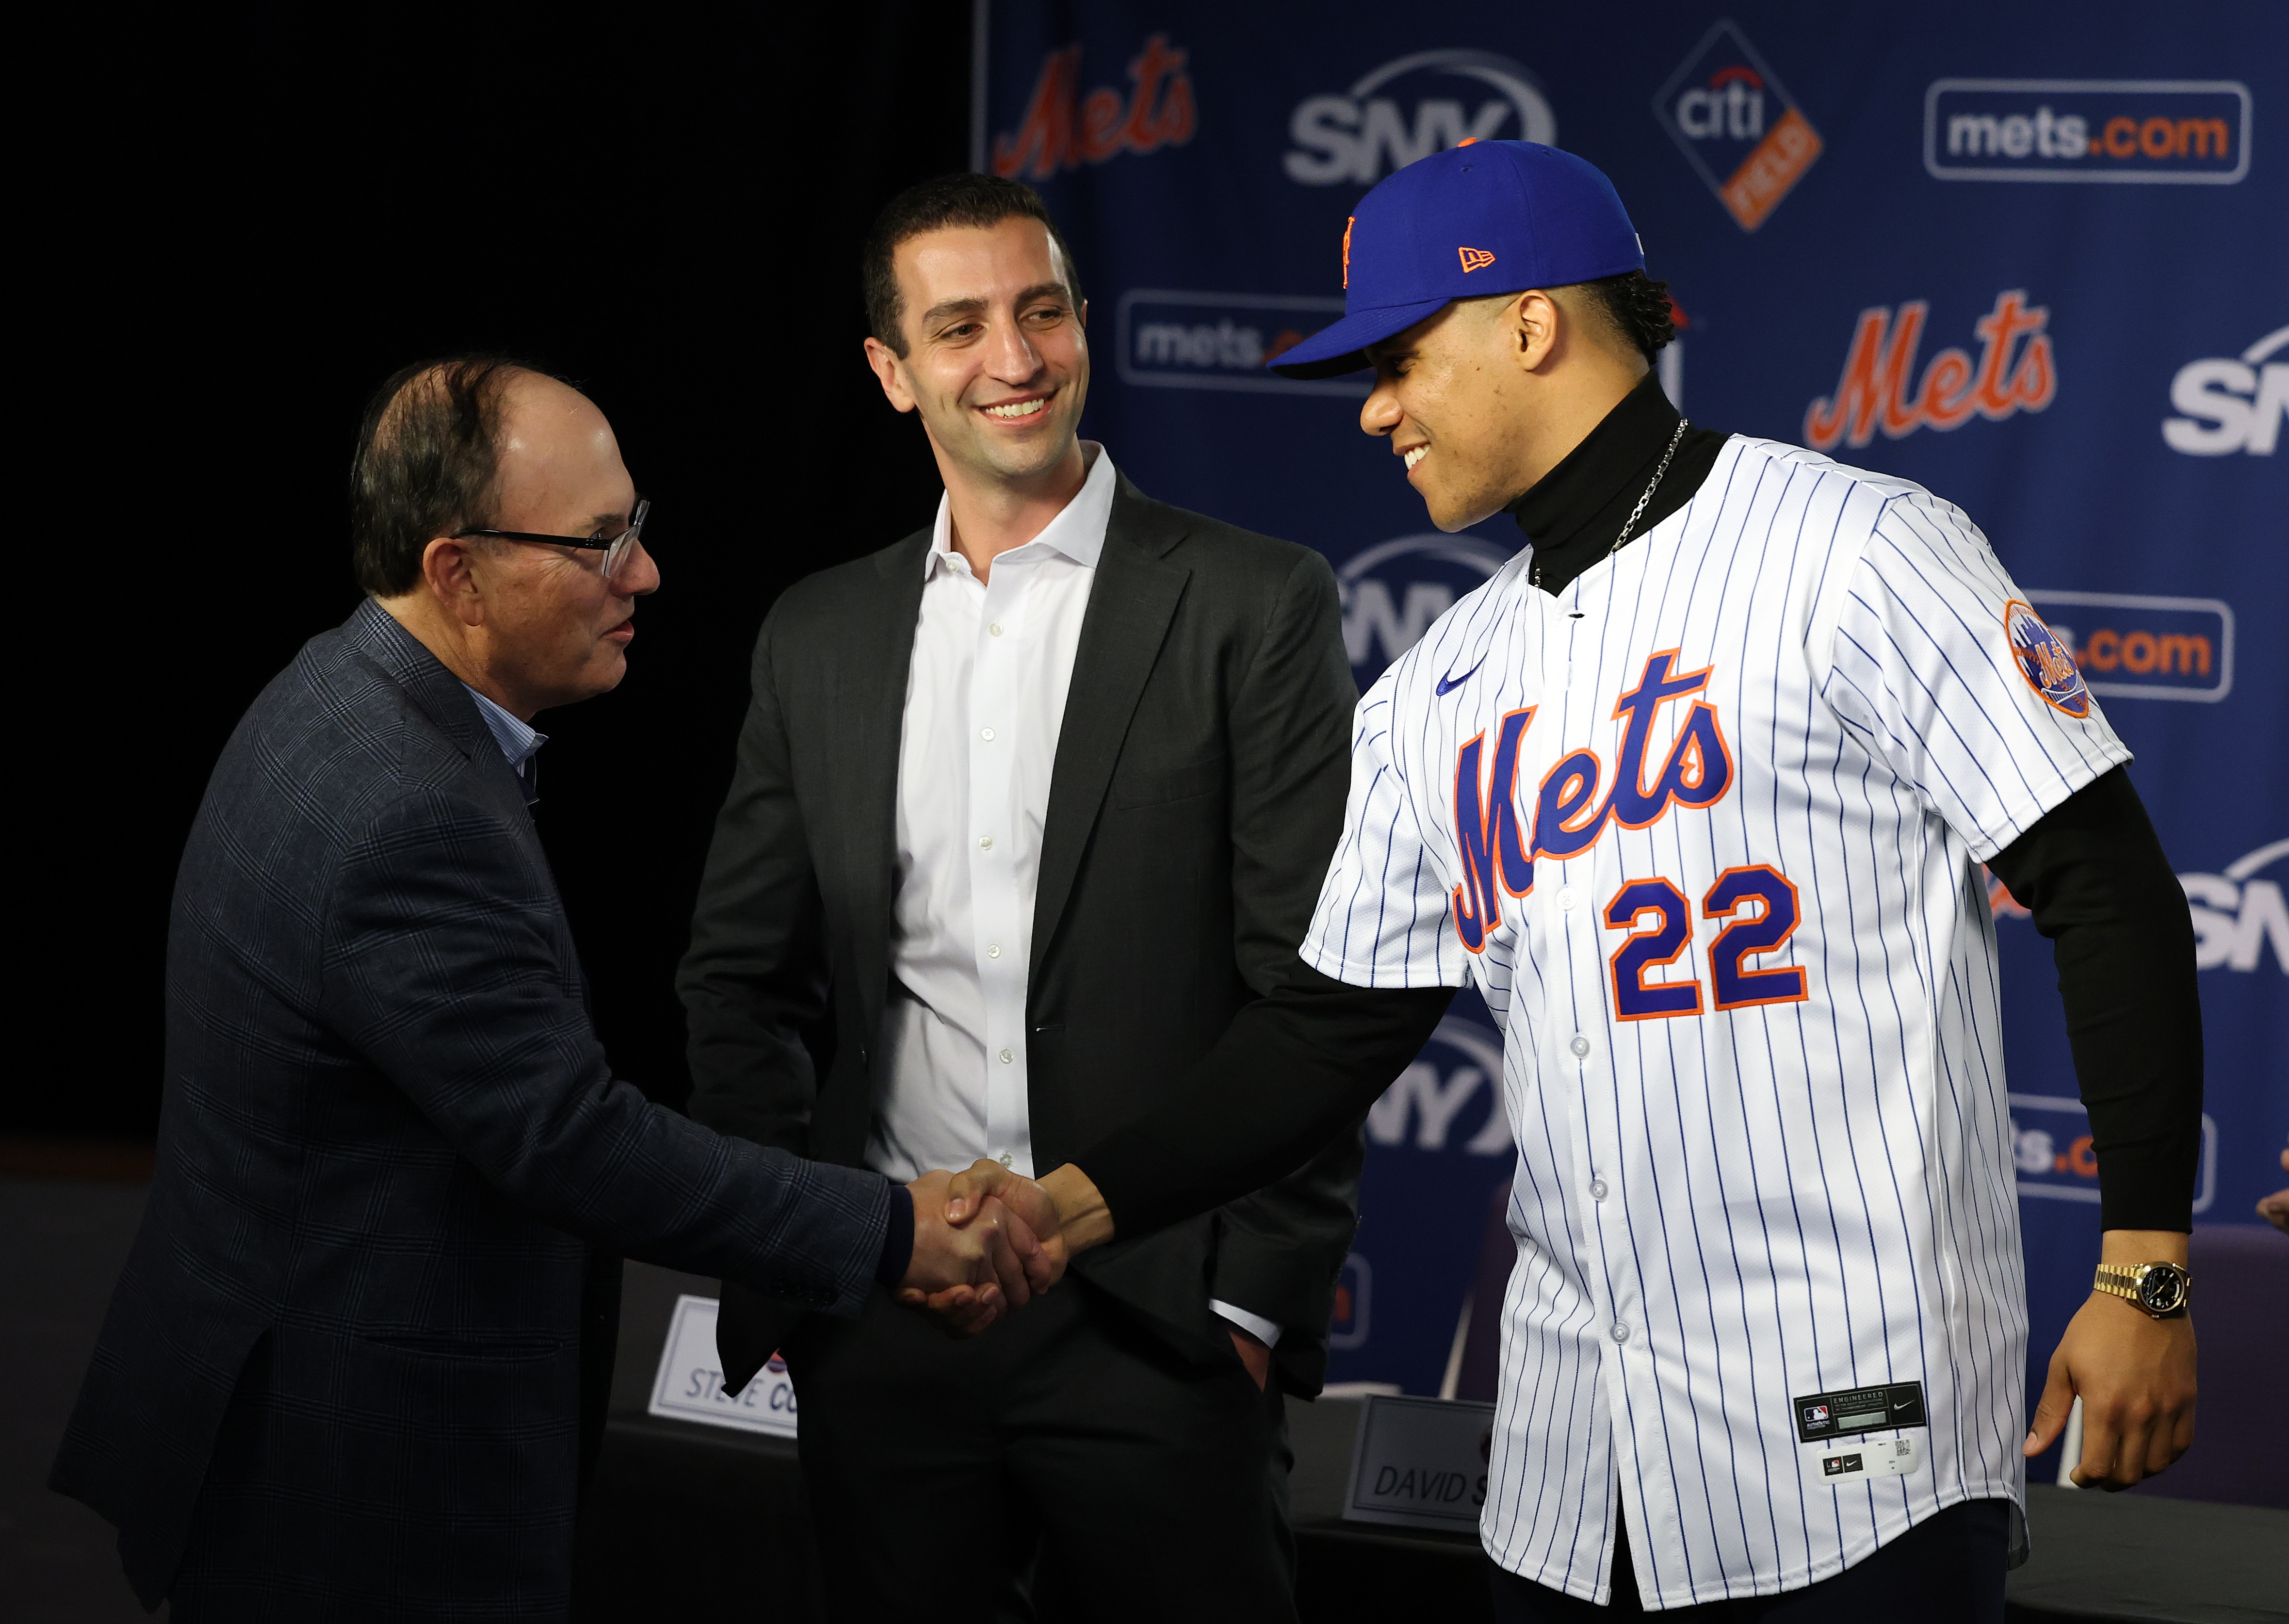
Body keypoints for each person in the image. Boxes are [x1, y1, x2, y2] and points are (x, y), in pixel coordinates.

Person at [948, 142, 2205, 1621]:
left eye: (1401, 359)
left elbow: (2103, 884)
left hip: (1855, 1440)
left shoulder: (1856, 552)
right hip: (1567, 1468)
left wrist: (2146, 1272)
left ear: (1529, 323)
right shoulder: (1438, 692)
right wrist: (1060, 1211)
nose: (1375, 408)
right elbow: (1323, 1038)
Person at [50, 357, 1047, 1623]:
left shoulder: (341, 688)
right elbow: (572, 1142)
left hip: (283, 1403)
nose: (644, 574)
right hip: (355, 1483)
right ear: (455, 569)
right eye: (598, 542)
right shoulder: (407, 808)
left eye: (637, 524)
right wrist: (898, 1230)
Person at [676, 172, 1363, 1622]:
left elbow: (1316, 994)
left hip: (1162, 1329)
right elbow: (740, 980)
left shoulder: (1256, 601)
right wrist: (811, 1259)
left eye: (1043, 311)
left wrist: (1246, 1310)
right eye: (963, 325)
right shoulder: (818, 633)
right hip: (884, 1325)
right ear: (891, 371)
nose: (1015, 358)